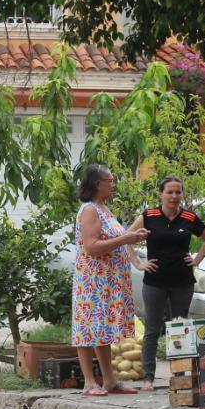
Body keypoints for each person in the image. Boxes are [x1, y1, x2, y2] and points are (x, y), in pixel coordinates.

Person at [127, 176, 205, 388]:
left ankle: (181, 376)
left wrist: (196, 260)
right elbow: (127, 237)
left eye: (178, 192)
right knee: (152, 329)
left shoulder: (189, 217)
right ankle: (148, 377)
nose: (174, 196)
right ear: (161, 194)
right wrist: (138, 264)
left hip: (182, 281)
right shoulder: (149, 216)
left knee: (180, 327)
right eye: (170, 192)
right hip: (154, 281)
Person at [71, 163, 147, 397]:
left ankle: (109, 380)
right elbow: (92, 246)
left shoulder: (104, 208)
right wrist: (126, 239)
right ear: (97, 183)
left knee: (101, 331)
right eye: (109, 181)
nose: (113, 184)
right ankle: (88, 382)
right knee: (87, 329)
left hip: (106, 283)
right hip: (93, 281)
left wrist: (129, 237)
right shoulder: (90, 210)